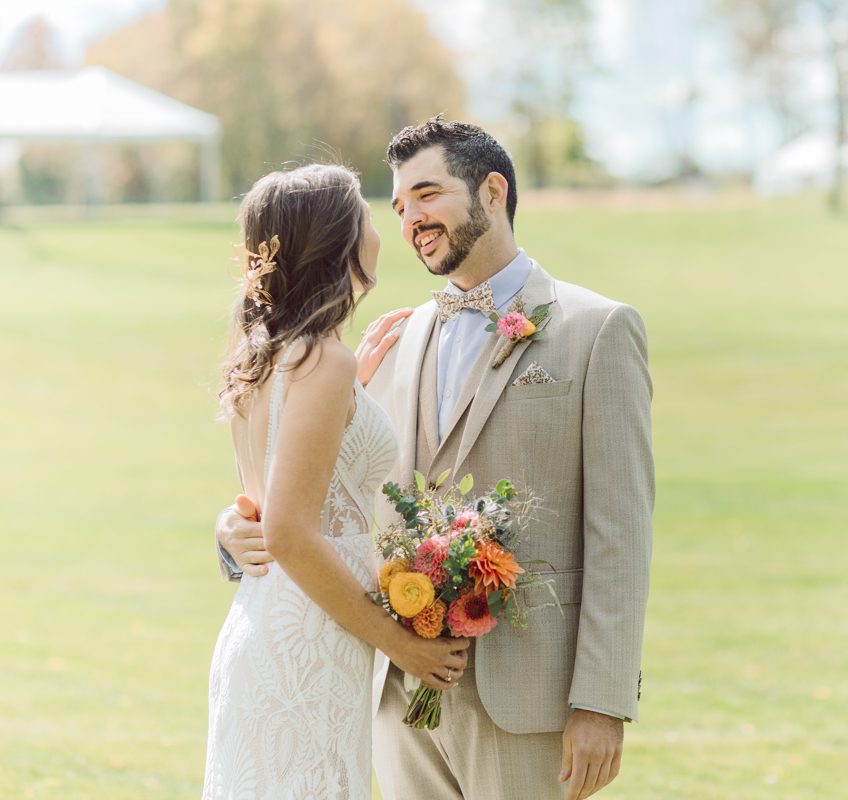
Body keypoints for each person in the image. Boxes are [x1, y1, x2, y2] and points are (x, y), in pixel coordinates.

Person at [217, 117, 654, 800]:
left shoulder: (596, 330)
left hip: (527, 701)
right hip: (392, 689)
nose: (409, 219)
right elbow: (314, 481)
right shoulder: (388, 340)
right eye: (395, 206)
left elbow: (620, 532)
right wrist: (233, 531)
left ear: (492, 191)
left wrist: (602, 701)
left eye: (427, 194)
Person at [203, 163, 468, 800]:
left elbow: (276, 486)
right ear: (339, 240)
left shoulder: (271, 349)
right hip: (309, 641)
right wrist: (401, 645)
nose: (386, 227)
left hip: (271, 623)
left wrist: (355, 389)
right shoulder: (321, 360)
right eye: (372, 216)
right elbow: (292, 533)